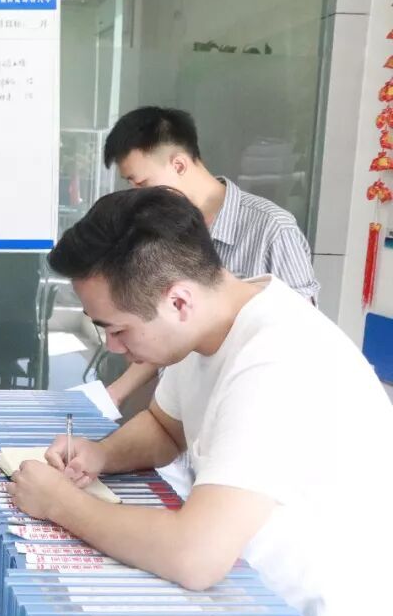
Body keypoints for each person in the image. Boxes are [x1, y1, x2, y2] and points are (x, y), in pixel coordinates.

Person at [7, 187, 392, 616]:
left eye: (118, 329)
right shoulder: (212, 321)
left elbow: (195, 556)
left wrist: (60, 503)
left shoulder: (278, 358)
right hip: (250, 596)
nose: (112, 347)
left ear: (178, 302)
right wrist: (101, 454)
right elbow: (165, 427)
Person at [101, 106, 319, 411]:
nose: (137, 195)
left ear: (178, 164)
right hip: (175, 413)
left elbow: (303, 338)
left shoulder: (272, 229)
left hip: (246, 409)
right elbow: (164, 334)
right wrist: (114, 394)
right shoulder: (158, 230)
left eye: (141, 183)